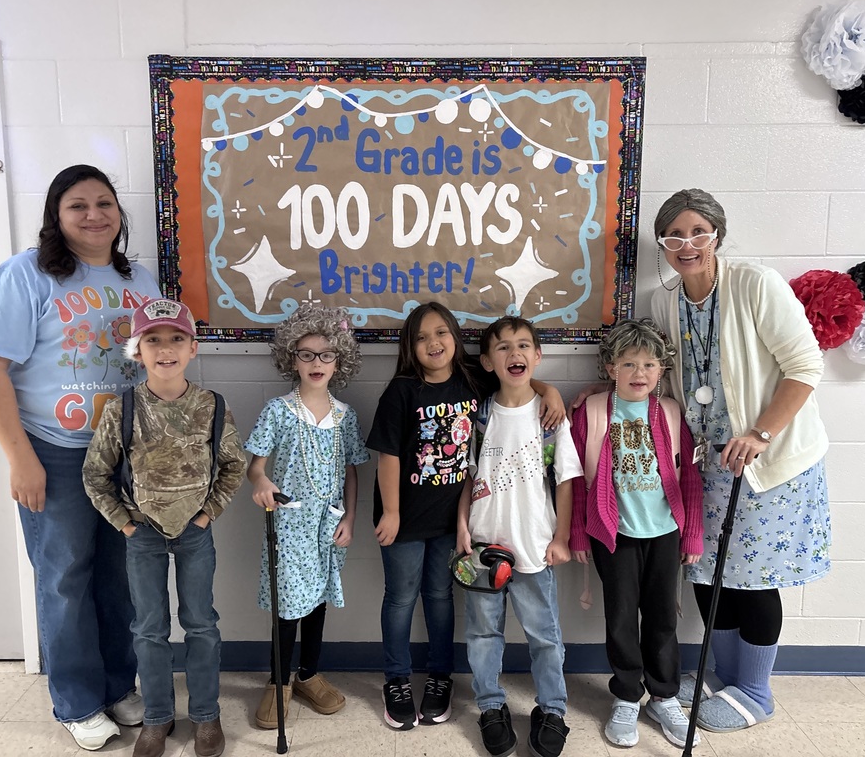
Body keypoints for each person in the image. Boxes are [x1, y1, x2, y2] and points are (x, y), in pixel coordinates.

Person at [0, 165, 159, 750]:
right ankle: (76, 701)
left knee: (120, 578)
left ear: (120, 216)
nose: (94, 214)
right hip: (54, 451)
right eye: (78, 205)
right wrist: (20, 458)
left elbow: (159, 361)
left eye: (105, 203)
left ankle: (116, 685)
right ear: (56, 214)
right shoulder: (25, 275)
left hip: (123, 453)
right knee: (64, 580)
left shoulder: (140, 278)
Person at [649, 188, 831, 733]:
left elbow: (805, 366)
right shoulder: (664, 301)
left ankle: (755, 690)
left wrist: (761, 432)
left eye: (698, 232)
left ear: (717, 236)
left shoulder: (755, 284)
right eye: (675, 235)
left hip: (767, 464)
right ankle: (719, 673)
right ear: (662, 243)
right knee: (707, 571)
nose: (687, 244)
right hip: (705, 465)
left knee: (751, 578)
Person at [366, 302, 566, 731]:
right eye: (421, 337)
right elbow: (387, 456)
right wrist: (394, 512)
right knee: (400, 598)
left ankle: (441, 678)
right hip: (403, 519)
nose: (432, 343)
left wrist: (550, 391)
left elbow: (517, 375)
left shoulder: (472, 379)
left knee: (439, 598)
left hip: (453, 522)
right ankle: (397, 679)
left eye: (441, 333)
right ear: (409, 347)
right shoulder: (402, 390)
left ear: (456, 338)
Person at [83, 298, 246, 757]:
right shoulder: (124, 409)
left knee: (201, 624)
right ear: (138, 351)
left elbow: (234, 465)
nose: (165, 349)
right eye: (153, 340)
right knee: (149, 628)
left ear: (193, 348)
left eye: (176, 339)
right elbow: (96, 475)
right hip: (143, 533)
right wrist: (125, 524)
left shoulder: (212, 406)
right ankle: (156, 717)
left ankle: (206, 715)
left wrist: (207, 513)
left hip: (195, 531)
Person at [569, 318, 704, 749]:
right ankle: (627, 696)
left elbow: (690, 477)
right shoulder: (590, 412)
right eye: (628, 363)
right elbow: (573, 479)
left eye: (649, 364)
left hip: (665, 532)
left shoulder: (669, 413)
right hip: (615, 534)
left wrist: (692, 535)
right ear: (610, 368)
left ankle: (663, 697)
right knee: (622, 618)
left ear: (661, 370)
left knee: (663, 617)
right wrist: (576, 534)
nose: (639, 373)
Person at [457, 316, 582, 757]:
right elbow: (468, 478)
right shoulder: (479, 415)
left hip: (534, 546)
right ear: (488, 361)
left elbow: (566, 480)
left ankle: (552, 709)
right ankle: (490, 706)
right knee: (483, 633)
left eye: (524, 345)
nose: (515, 354)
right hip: (484, 547)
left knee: (544, 635)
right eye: (504, 347)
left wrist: (561, 537)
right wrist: (462, 525)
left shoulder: (550, 417)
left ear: (538, 356)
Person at [244, 304, 370, 730]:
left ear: (340, 360)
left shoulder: (345, 417)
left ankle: (308, 674)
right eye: (306, 354)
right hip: (290, 523)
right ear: (290, 358)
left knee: (317, 602)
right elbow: (255, 466)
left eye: (326, 354)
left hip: (328, 525)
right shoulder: (279, 411)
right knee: (287, 606)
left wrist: (350, 519)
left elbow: (352, 472)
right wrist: (260, 482)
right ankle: (278, 680)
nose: (317, 363)